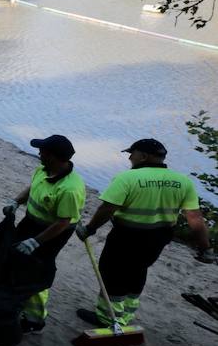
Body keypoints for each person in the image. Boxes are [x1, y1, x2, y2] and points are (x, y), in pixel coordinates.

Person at [75, 139, 214, 326]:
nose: (130, 157)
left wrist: (89, 229)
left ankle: (107, 318)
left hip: (127, 236)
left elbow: (107, 208)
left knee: (113, 274)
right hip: (159, 238)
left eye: (132, 153)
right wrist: (205, 248)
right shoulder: (183, 182)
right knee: (138, 271)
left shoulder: (127, 178)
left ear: (144, 156)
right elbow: (195, 218)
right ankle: (126, 316)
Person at [4, 135, 87, 332]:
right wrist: (16, 201)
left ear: (53, 157)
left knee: (36, 272)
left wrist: (36, 242)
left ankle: (34, 321)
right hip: (31, 222)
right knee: (16, 260)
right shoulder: (43, 170)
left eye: (43, 151)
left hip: (52, 234)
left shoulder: (70, 189)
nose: (39, 154)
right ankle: (15, 300)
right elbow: (34, 187)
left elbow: (63, 222)